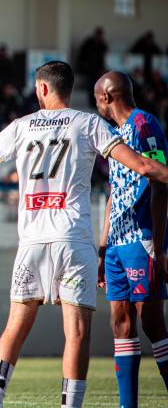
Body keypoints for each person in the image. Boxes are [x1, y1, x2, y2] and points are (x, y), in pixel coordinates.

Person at [0, 61, 168, 408]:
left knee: (15, 327)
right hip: (73, 239)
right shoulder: (89, 123)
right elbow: (142, 165)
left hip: (32, 241)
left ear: (44, 89)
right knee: (76, 332)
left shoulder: (22, 126)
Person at [94, 71, 168, 405]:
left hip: (142, 238)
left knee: (151, 322)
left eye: (96, 98)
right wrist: (103, 245)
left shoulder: (144, 125)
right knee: (120, 323)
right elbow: (115, 193)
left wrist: (160, 245)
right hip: (117, 245)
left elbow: (160, 183)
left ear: (106, 97)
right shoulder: (115, 135)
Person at [77, 27, 107, 102]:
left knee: (98, 85)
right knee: (91, 85)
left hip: (98, 69)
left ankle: (95, 101)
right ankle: (91, 101)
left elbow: (105, 56)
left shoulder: (102, 44)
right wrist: (83, 65)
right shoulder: (88, 43)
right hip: (90, 68)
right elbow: (82, 55)